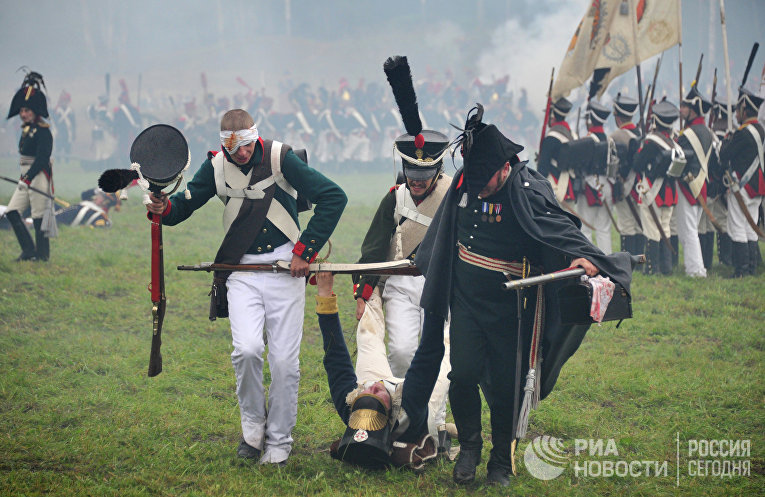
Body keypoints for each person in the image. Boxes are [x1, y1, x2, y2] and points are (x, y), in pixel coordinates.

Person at [414, 104, 633, 486]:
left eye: (487, 179)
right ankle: (469, 447)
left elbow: (557, 230)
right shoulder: (467, 184)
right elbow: (447, 232)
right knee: (461, 375)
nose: (479, 186)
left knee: (506, 386)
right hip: (465, 300)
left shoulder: (531, 189)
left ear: (504, 166)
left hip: (513, 307)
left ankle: (500, 461)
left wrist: (579, 257)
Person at [146, 109, 347, 465]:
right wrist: (164, 206)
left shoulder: (280, 158)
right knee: (247, 350)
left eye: (246, 144)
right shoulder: (215, 167)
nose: (240, 153)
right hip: (239, 270)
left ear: (255, 137)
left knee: (285, 363)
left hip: (287, 269)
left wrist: (305, 251)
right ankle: (253, 430)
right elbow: (184, 206)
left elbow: (334, 196)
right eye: (232, 146)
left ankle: (280, 440)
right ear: (223, 144)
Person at [353, 56, 454, 452]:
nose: (417, 182)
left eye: (423, 177)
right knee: (399, 351)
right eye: (412, 176)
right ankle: (403, 415)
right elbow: (372, 248)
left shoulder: (452, 195)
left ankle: (434, 422)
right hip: (399, 281)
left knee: (440, 359)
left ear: (437, 172)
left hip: (440, 285)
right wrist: (364, 294)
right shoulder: (394, 199)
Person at [314, 271, 445, 470]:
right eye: (377, 395)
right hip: (418, 406)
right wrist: (436, 295)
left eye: (366, 393)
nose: (374, 387)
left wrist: (325, 294)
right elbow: (429, 354)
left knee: (367, 335)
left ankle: (372, 289)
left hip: (380, 402)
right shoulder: (410, 407)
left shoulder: (351, 402)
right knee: (447, 354)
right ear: (388, 413)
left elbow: (335, 357)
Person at [5, 70, 55, 262]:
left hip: (39, 176)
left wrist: (28, 177)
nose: (23, 114)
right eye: (22, 111)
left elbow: (42, 159)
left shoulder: (43, 131)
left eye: (27, 111)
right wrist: (24, 178)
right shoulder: (27, 130)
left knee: (38, 216)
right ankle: (29, 250)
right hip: (25, 177)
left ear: (35, 111)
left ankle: (42, 256)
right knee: (12, 211)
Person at [716, 87, 764, 277]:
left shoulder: (743, 133)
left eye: (738, 110)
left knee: (737, 226)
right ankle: (751, 268)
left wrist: (727, 141)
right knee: (750, 227)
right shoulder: (761, 129)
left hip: (742, 186)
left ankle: (741, 271)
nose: (736, 114)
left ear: (745, 110)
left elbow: (725, 155)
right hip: (757, 185)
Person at [633, 100, 680, 276]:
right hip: (669, 193)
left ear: (656, 121)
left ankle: (652, 269)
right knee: (665, 228)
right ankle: (666, 267)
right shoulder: (673, 143)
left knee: (652, 229)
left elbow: (637, 165)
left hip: (653, 192)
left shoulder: (651, 142)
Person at [675, 85, 714, 278]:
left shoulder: (689, 134)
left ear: (693, 109)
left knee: (688, 231)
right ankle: (695, 268)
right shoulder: (705, 131)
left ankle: (696, 271)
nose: (681, 110)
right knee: (691, 230)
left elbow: (679, 158)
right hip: (701, 184)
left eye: (684, 106)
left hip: (688, 185)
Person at [575, 100, 614, 253]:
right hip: (607, 185)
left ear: (590, 120)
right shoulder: (609, 140)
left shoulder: (587, 140)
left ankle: (591, 262)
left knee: (585, 229)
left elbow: (578, 164)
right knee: (603, 228)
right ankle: (607, 262)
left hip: (591, 187)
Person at [609, 93, 644, 257]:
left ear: (618, 117)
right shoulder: (640, 133)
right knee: (639, 223)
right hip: (641, 186)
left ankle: (628, 261)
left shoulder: (616, 136)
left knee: (626, 224)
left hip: (625, 185)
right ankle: (640, 258)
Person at [536, 97, 576, 205]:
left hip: (555, 189)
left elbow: (543, 169)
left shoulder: (551, 138)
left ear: (552, 116)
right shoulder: (573, 135)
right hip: (569, 188)